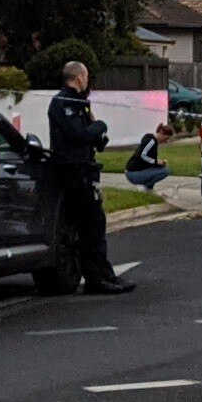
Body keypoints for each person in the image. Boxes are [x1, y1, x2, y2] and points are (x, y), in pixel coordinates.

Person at [48, 60, 146, 295]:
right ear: (79, 77)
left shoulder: (81, 103)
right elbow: (78, 134)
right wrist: (100, 126)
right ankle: (96, 278)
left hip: (85, 169)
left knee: (95, 224)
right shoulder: (63, 103)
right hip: (73, 172)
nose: (88, 80)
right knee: (90, 225)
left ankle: (104, 274)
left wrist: (98, 135)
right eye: (86, 76)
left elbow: (89, 134)